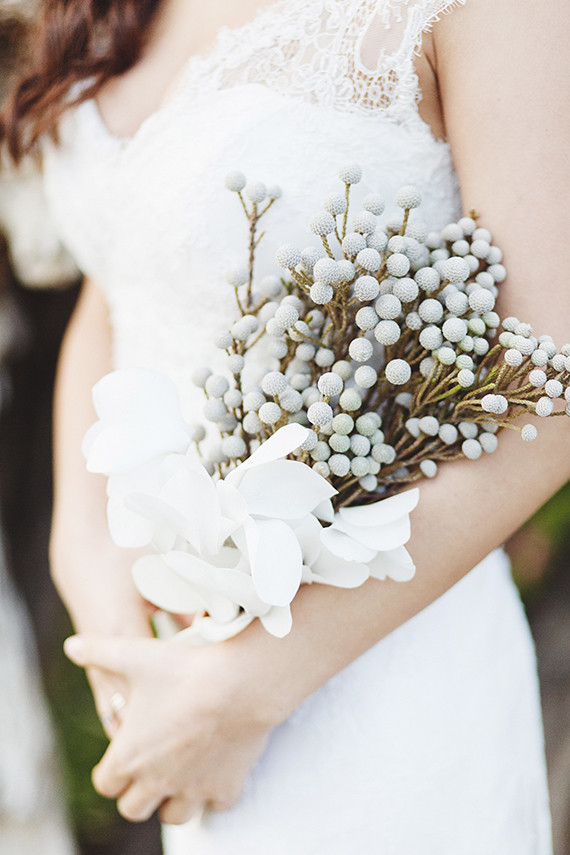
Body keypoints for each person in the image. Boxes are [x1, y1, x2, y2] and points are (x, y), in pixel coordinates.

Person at [2, 0, 568, 851]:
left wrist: (242, 689)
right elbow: (120, 278)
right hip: (181, 687)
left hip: (377, 684)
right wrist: (83, 554)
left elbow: (550, 382)